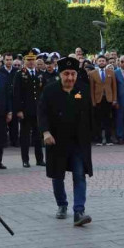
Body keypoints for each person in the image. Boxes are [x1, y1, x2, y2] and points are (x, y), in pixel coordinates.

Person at [39, 57, 94, 226]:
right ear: (60, 74)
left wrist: (91, 135)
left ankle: (79, 211)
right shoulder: (50, 90)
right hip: (56, 140)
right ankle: (62, 205)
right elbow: (42, 113)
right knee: (58, 175)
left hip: (78, 141)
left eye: (73, 74)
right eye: (66, 74)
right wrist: (46, 132)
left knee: (79, 174)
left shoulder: (82, 89)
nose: (70, 78)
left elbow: (89, 114)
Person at [13, 50, 46, 167]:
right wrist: (19, 110)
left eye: (33, 60)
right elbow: (16, 94)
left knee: (38, 136)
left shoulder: (40, 73)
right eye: (29, 60)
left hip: (38, 110)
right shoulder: (20, 74)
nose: (31, 62)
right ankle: (25, 160)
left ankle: (40, 159)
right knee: (25, 137)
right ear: (24, 61)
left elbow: (43, 93)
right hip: (25, 110)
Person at [88, 58, 117, 146]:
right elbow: (91, 88)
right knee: (98, 121)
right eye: (100, 61)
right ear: (97, 62)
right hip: (98, 99)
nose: (101, 62)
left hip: (108, 99)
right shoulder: (92, 73)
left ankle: (108, 139)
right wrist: (93, 101)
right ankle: (99, 139)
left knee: (108, 120)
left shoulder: (111, 72)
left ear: (106, 62)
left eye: (103, 61)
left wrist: (114, 99)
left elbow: (114, 87)